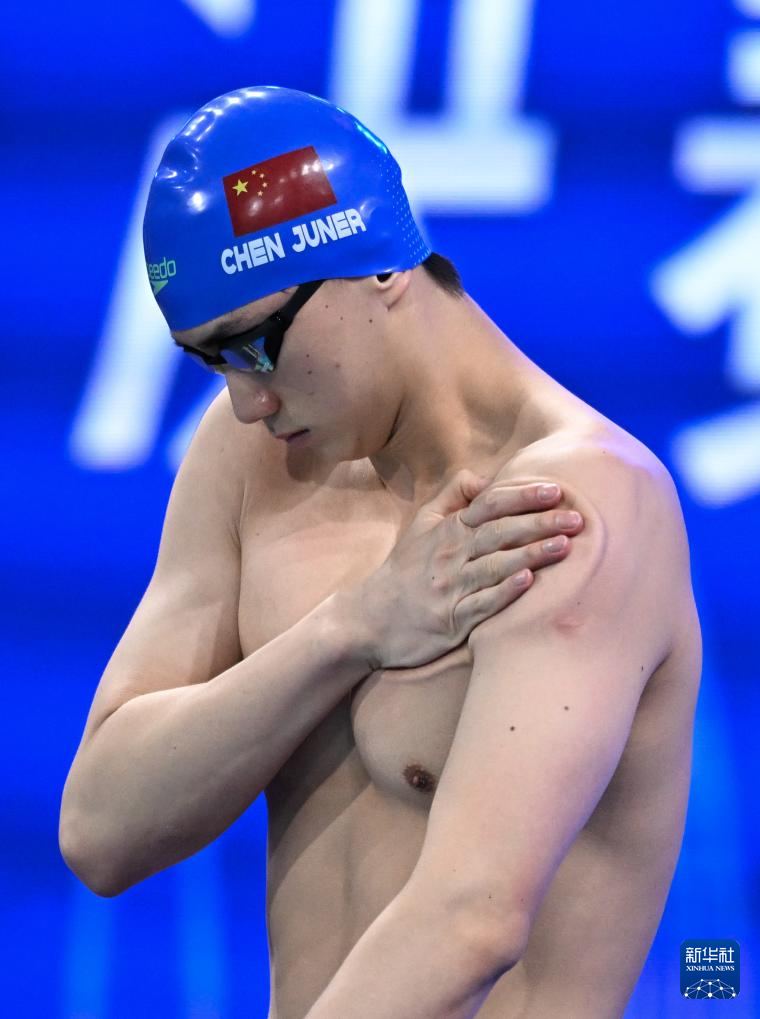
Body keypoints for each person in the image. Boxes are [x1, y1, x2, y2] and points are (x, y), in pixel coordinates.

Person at [59, 86, 701, 1018]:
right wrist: (349, 630)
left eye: (257, 346)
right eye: (213, 361)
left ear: (377, 268)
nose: (247, 401)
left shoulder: (574, 505)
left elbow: (471, 919)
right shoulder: (251, 459)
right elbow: (100, 828)